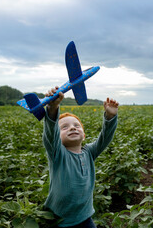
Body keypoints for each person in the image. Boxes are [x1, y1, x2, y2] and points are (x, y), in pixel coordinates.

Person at [42, 86, 118, 227]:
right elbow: (50, 135)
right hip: (58, 220)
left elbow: (105, 138)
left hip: (85, 218)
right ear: (58, 137)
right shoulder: (58, 154)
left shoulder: (89, 152)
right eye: (64, 127)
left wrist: (110, 117)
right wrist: (52, 109)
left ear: (83, 135)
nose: (72, 128)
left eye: (77, 125)